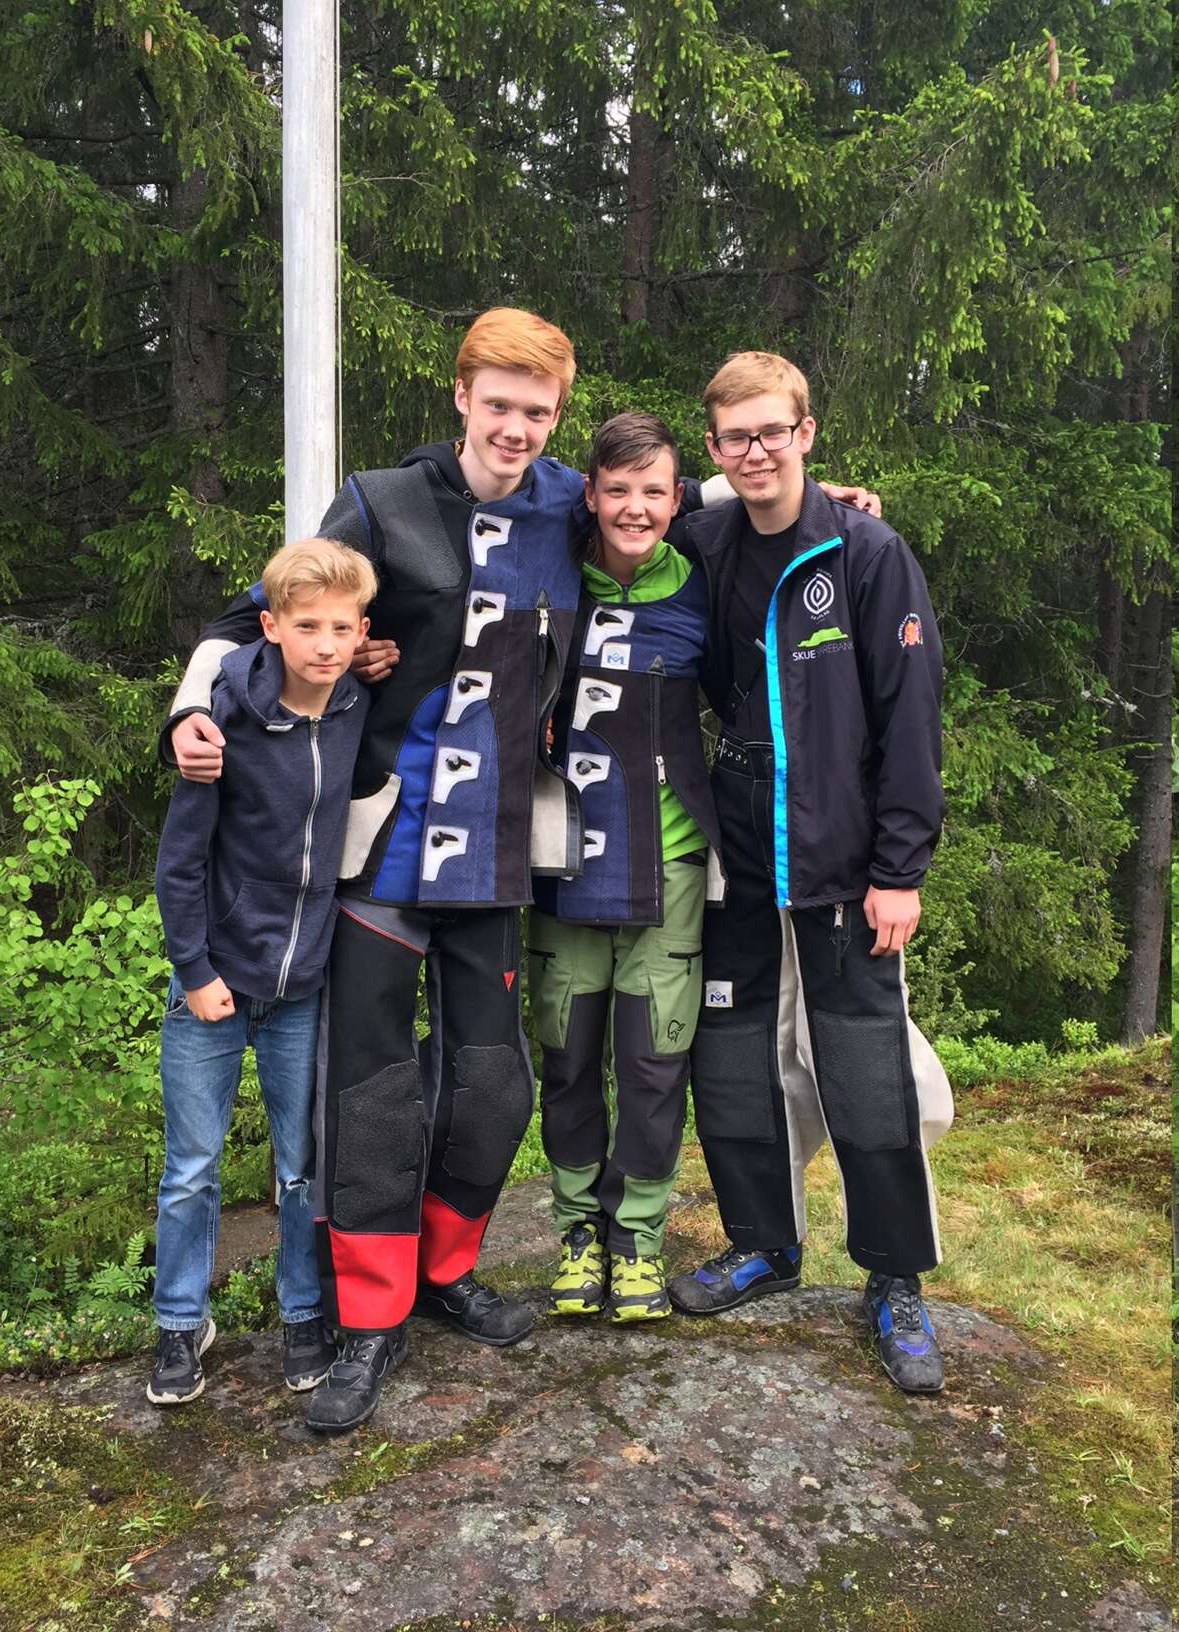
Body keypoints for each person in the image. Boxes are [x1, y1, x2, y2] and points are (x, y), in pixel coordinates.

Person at [163, 308, 880, 1430]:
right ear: (461, 397)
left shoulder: (565, 501)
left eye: (537, 412)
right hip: (382, 850)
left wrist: (818, 501)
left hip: (500, 853)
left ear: (556, 421)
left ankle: (444, 1275)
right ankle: (369, 1321)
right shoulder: (382, 504)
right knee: (375, 1098)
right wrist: (191, 709)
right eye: (498, 404)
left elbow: (673, 496)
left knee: (493, 1088)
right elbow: (259, 612)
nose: (515, 427)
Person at [667, 351, 954, 1394]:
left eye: (773, 432)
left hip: (842, 847)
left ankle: (894, 1278)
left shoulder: (867, 553)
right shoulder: (703, 541)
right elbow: (624, 504)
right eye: (736, 437)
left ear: (807, 432)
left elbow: (911, 719)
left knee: (864, 1067)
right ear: (714, 448)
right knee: (734, 1057)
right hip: (737, 844)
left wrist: (900, 869)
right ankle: (765, 1245)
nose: (757, 452)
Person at [148, 537, 376, 1406]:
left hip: (301, 986)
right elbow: (179, 865)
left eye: (343, 628)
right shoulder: (221, 723)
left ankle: (303, 1313)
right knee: (193, 1167)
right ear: (271, 626)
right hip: (213, 984)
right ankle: (180, 1323)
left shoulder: (356, 706)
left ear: (362, 633)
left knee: (300, 1165)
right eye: (307, 626)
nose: (326, 644)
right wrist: (194, 968)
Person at [528, 413, 723, 1322]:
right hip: (561, 860)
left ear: (677, 498)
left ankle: (638, 1237)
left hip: (669, 862)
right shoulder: (554, 576)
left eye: (654, 491)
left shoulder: (704, 585)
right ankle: (577, 1232)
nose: (635, 508)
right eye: (617, 490)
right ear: (591, 495)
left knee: (653, 1061)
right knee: (567, 1058)